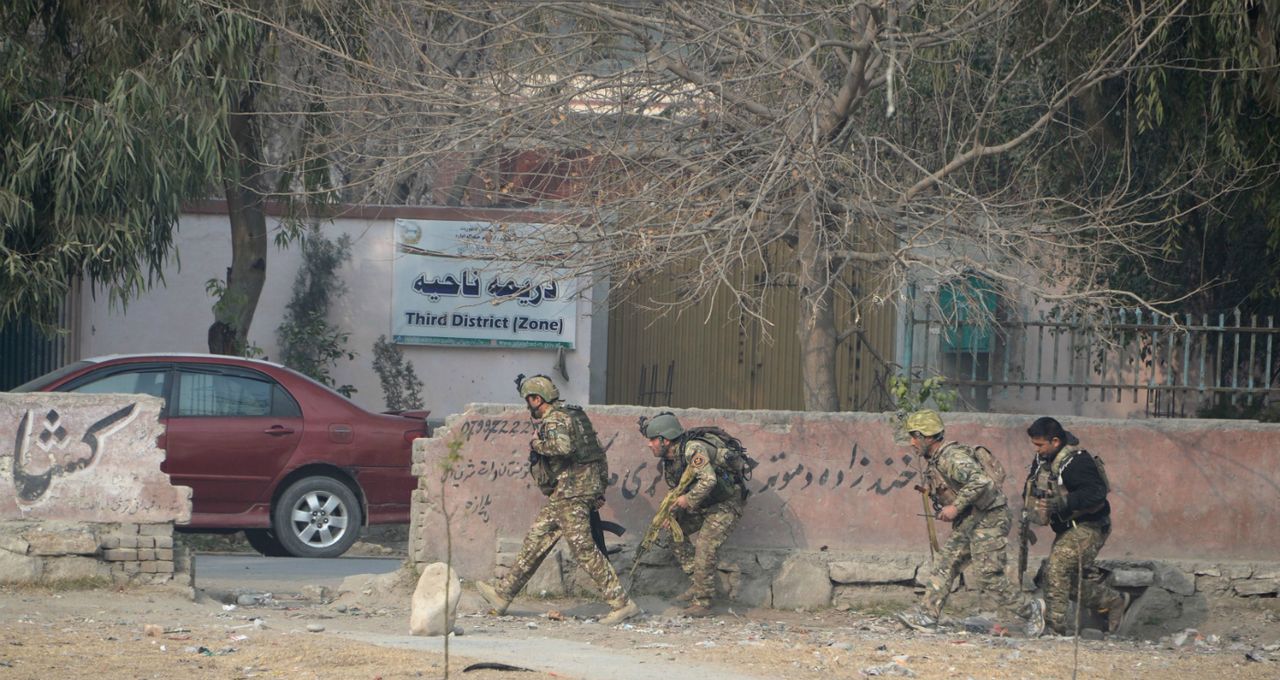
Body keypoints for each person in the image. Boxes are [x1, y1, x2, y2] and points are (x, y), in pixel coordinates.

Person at [475, 375, 641, 625]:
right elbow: (598, 453)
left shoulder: (553, 420)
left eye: (528, 399)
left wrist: (537, 443)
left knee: (583, 548)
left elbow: (562, 448)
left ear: (537, 399)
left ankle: (622, 604)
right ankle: (503, 595)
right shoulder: (574, 416)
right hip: (572, 491)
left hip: (571, 492)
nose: (527, 404)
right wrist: (598, 489)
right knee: (536, 539)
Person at [896, 410, 1045, 637]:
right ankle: (927, 616)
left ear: (927, 437)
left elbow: (981, 481)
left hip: (990, 517)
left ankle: (1031, 609)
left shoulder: (951, 457)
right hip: (973, 518)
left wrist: (955, 507)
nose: (912, 443)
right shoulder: (939, 459)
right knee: (946, 562)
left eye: (914, 436)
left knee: (988, 575)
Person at [1025, 416, 1128, 635]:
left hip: (1089, 525)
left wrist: (1063, 502)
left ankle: (1055, 627)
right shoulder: (1043, 461)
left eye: (1040, 445)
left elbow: (1096, 492)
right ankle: (1112, 601)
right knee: (1056, 578)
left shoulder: (1077, 461)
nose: (1037, 450)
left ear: (1055, 441)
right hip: (1066, 529)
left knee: (1057, 567)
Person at [641, 412, 747, 617]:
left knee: (705, 546)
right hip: (705, 503)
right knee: (675, 533)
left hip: (726, 504)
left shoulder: (692, 450)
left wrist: (687, 501)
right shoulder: (670, 460)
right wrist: (668, 514)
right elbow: (676, 489)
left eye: (653, 439)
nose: (649, 444)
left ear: (665, 439)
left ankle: (703, 602)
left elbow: (708, 480)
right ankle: (698, 584)